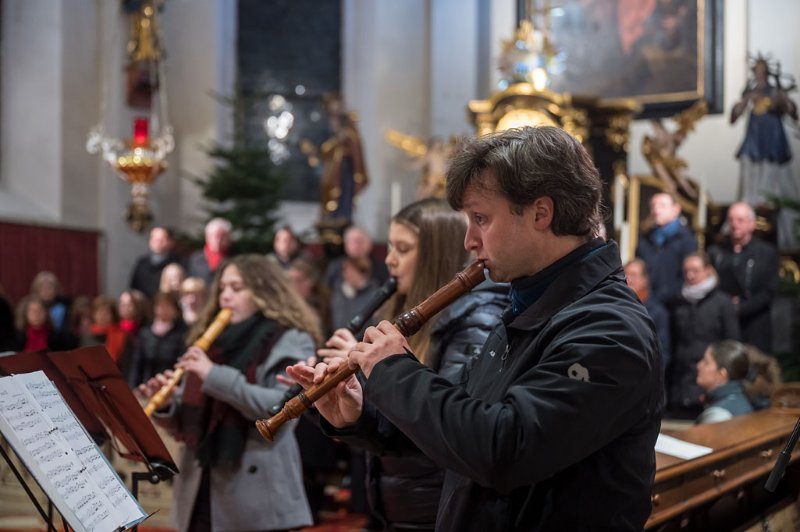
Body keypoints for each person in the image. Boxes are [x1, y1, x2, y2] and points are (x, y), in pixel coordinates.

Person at [288, 126, 663, 530]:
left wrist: (395, 372)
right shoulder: (530, 309)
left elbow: (504, 450)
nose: (469, 240)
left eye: (480, 218)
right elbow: (457, 432)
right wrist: (361, 415)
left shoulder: (608, 328)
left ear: (541, 212)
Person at [316, 198, 510, 530]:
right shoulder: (401, 312)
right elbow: (393, 422)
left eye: (403, 249)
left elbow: (446, 421)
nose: (389, 260)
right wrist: (344, 406)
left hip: (437, 508)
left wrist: (372, 371)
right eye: (390, 247)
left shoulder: (478, 317)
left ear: (438, 254)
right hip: (401, 504)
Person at [138, 255, 322, 532]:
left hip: (257, 494)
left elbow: (280, 408)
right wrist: (167, 405)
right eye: (222, 288)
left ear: (263, 292)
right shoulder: (212, 340)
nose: (225, 296)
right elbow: (196, 414)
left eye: (237, 288)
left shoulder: (289, 338)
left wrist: (213, 375)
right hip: (200, 482)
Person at [731, 56, 799, 249]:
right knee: (750, 190)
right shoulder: (750, 93)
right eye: (756, 72)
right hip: (754, 143)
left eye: (762, 72)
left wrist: (782, 100)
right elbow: (733, 116)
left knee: (774, 191)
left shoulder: (775, 92)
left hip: (772, 143)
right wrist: (745, 100)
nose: (759, 76)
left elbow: (793, 114)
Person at [669, 253, 740, 416]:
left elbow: (731, 343)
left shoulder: (722, 302)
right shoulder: (678, 302)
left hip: (709, 381)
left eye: (695, 270)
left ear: (707, 270)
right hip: (681, 384)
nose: (690, 275)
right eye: (686, 271)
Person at [707, 202, 779, 355]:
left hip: (755, 327)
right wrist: (727, 306)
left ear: (751, 224)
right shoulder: (715, 252)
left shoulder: (767, 253)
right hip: (723, 325)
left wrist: (741, 307)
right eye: (731, 220)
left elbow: (768, 292)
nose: (734, 224)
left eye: (740, 220)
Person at [636, 192, 697, 305]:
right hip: (648, 303)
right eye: (653, 206)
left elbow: (688, 273)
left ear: (676, 209)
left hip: (676, 304)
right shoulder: (646, 239)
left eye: (662, 206)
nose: (656, 210)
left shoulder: (686, 239)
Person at [126, 291, 187, 388]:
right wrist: (132, 388)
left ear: (176, 310)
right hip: (146, 386)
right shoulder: (145, 333)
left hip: (170, 387)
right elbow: (137, 364)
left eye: (167, 306)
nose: (163, 310)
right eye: (160, 306)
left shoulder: (182, 333)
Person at [624, 258, 671, 372]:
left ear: (644, 279)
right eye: (625, 275)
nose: (628, 279)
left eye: (634, 275)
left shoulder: (657, 312)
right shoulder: (616, 306)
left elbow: (663, 352)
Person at [695, 340, 754, 424]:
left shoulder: (718, 416)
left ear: (721, 374)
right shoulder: (740, 400)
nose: (699, 365)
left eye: (706, 362)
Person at [129, 226, 180, 298]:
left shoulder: (177, 262)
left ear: (170, 242)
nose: (157, 243)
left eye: (161, 240)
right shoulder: (142, 263)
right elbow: (134, 288)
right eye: (154, 239)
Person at [187, 218, 233, 283]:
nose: (218, 240)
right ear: (207, 237)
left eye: (222, 236)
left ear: (228, 237)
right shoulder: (195, 259)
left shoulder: (234, 258)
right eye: (215, 236)